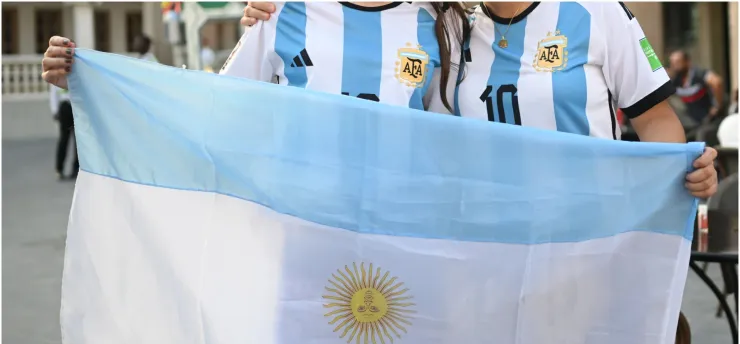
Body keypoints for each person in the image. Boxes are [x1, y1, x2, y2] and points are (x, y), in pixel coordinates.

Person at [242, 1, 718, 199]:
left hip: (587, 227)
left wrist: (686, 174)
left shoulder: (596, 13)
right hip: (487, 239)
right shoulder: (453, 29)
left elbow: (655, 119)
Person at [42, 2, 468, 113]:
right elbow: (216, 104)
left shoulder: (441, 24)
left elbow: (447, 142)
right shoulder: (280, 11)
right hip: (295, 226)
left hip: (398, 236)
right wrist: (94, 80)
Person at [669, 50, 725, 126]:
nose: (675, 66)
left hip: (708, 121)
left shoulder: (698, 73)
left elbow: (717, 82)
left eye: (678, 62)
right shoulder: (675, 79)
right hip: (690, 123)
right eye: (672, 63)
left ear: (687, 62)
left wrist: (717, 106)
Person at [50, 84, 78, 180]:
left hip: (76, 106)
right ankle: (59, 168)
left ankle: (76, 169)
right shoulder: (58, 72)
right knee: (64, 139)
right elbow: (53, 93)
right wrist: (54, 110)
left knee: (78, 140)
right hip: (65, 105)